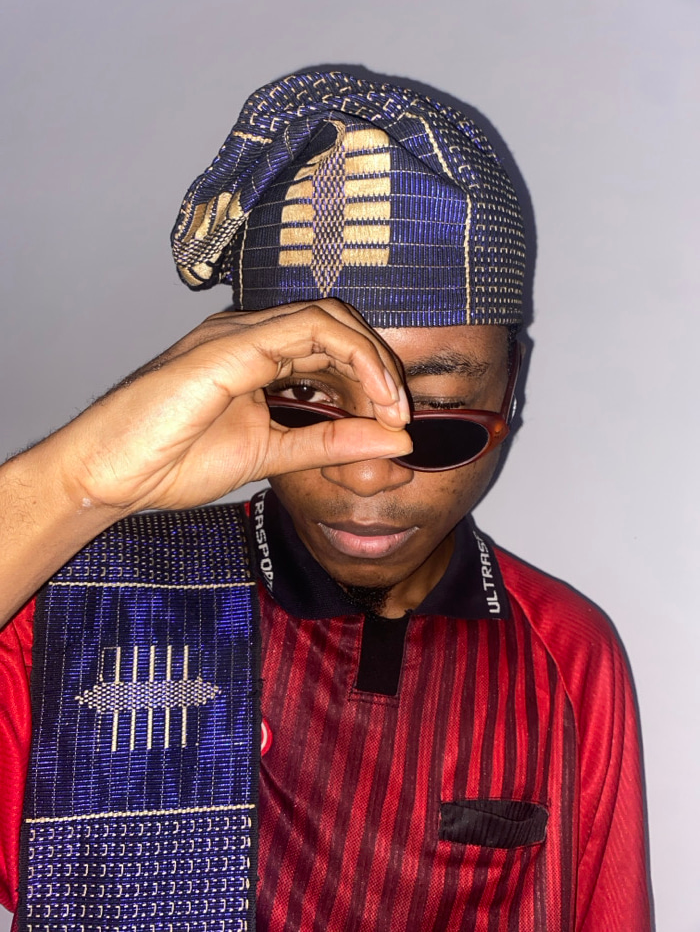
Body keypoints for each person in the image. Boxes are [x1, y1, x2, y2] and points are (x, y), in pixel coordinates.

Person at [0, 71, 651, 930]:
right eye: (308, 399)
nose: (367, 474)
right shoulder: (77, 602)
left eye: (438, 415)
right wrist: (80, 481)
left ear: (511, 385)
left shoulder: (563, 655)